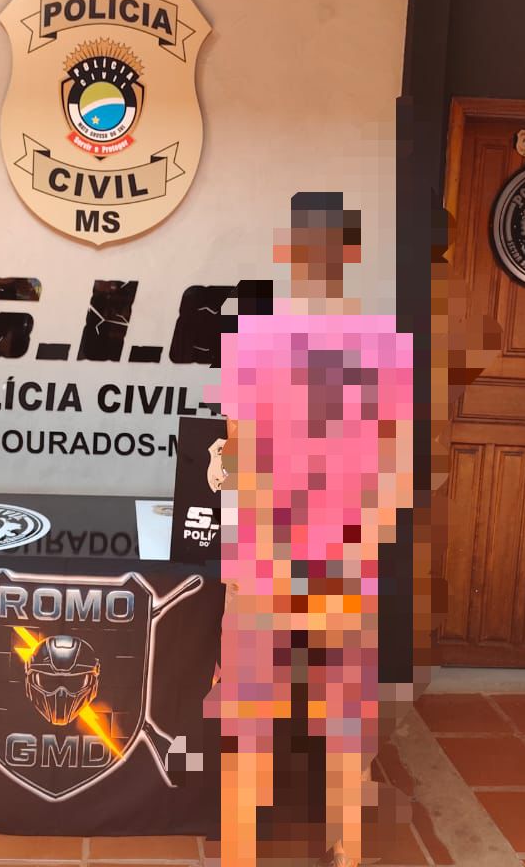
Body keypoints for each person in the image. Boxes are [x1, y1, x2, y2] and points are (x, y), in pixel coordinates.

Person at [204, 195, 413, 867]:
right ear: (350, 254)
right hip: (346, 559)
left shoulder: (254, 343)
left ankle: (242, 851)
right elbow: (396, 469)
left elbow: (239, 456)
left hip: (265, 558)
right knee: (345, 714)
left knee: (249, 712)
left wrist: (222, 473)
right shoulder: (387, 346)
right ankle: (346, 847)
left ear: (289, 253)